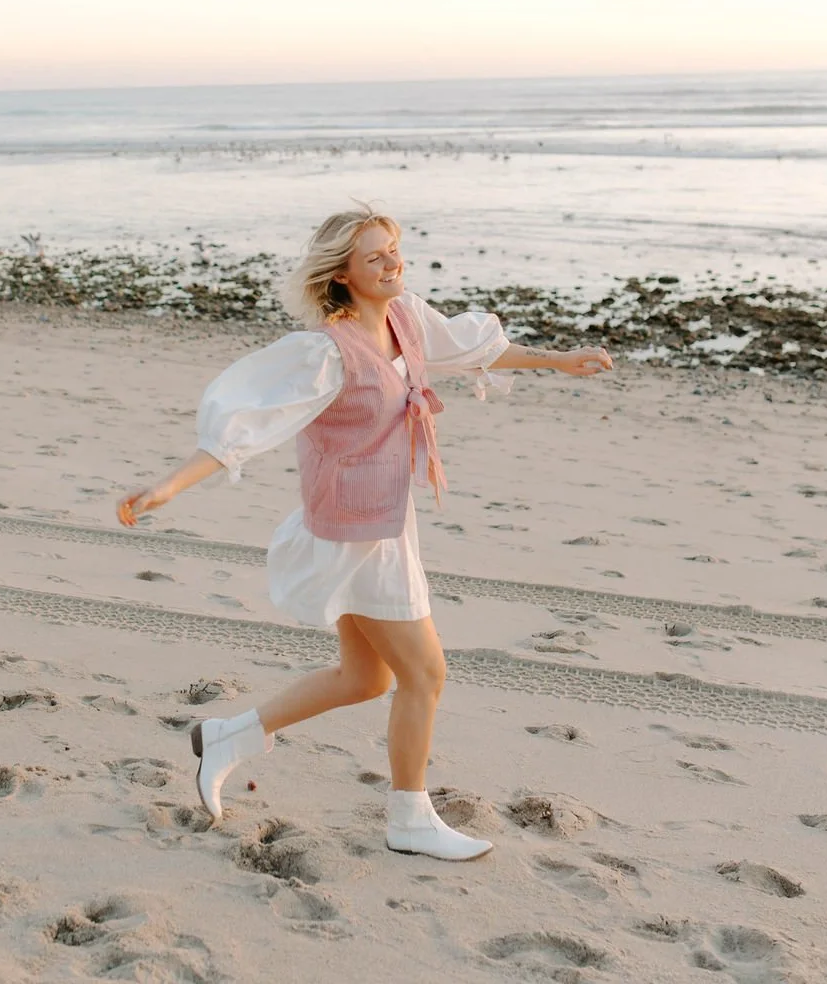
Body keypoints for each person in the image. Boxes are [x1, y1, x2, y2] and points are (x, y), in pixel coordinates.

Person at [117, 208, 612, 861]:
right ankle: (409, 818)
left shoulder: (406, 317)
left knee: (367, 677)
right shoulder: (325, 352)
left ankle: (228, 737)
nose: (392, 264)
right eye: (375, 257)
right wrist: (169, 487)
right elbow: (249, 423)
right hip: (353, 534)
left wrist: (560, 361)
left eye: (395, 250)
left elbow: (471, 348)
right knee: (426, 674)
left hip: (384, 522)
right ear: (342, 275)